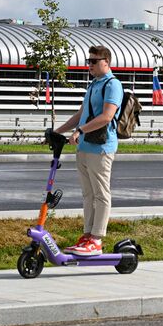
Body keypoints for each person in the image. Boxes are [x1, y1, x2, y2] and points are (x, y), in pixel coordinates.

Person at [55, 45, 122, 255]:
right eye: (88, 61)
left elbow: (106, 117)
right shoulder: (93, 85)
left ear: (106, 62)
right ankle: (87, 236)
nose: (89, 65)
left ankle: (97, 239)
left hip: (100, 148)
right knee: (88, 194)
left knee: (101, 194)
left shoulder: (113, 85)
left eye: (94, 61)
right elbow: (81, 114)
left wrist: (79, 131)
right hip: (84, 147)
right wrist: (58, 131)